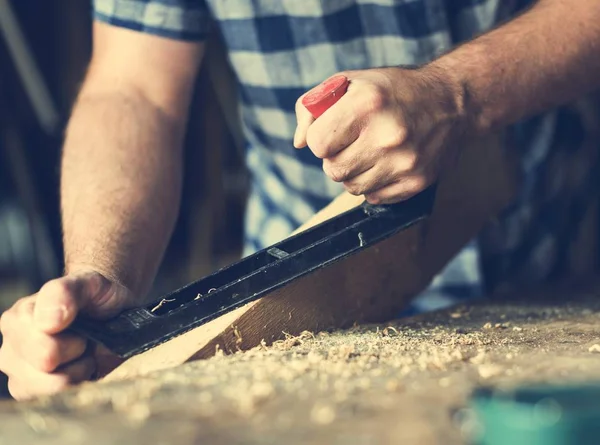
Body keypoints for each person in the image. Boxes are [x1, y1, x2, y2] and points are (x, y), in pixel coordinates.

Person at [1, 0, 599, 400]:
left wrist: (454, 92)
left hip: (563, 262)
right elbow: (134, 89)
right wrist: (101, 282)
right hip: (301, 318)